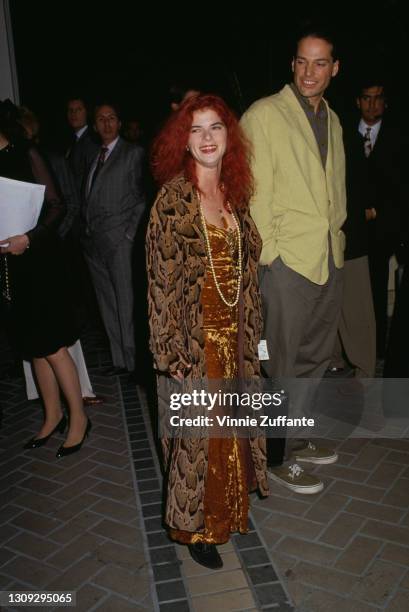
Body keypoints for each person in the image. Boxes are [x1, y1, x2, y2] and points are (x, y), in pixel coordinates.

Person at [147, 94, 268, 569]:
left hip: (236, 337)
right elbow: (159, 285)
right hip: (194, 343)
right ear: (183, 140)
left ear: (228, 136)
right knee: (198, 441)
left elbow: (248, 273)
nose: (206, 138)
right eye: (196, 129)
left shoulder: (236, 193)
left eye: (215, 127)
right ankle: (197, 529)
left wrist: (258, 340)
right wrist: (170, 356)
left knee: (231, 435)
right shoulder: (172, 200)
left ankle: (228, 510)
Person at [241, 26, 346, 494]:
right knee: (279, 363)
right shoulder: (265, 113)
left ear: (334, 69)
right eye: (302, 61)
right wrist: (269, 255)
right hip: (285, 263)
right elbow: (250, 188)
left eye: (320, 63)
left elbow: (333, 189)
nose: (309, 72)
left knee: (314, 358)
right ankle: (274, 457)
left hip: (326, 256)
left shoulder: (335, 119)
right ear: (292, 64)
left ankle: (296, 438)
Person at [0, 99, 90, 458]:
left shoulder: (26, 153)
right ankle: (52, 415)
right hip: (10, 267)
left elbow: (58, 206)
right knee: (32, 345)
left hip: (39, 260)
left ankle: (79, 417)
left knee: (52, 345)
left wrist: (28, 239)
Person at [81, 102, 146, 376]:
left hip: (120, 241)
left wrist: (129, 234)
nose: (106, 123)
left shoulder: (133, 153)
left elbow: (143, 198)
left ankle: (133, 363)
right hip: (94, 243)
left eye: (111, 118)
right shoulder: (96, 156)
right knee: (107, 304)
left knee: (126, 303)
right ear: (95, 127)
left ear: (119, 123)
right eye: (101, 119)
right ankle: (119, 360)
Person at [355, 80, 407, 358]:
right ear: (358, 102)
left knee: (387, 285)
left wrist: (381, 212)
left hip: (391, 224)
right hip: (356, 226)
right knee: (364, 289)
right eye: (366, 98)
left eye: (377, 98)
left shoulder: (399, 136)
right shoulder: (344, 133)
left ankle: (385, 349)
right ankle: (368, 348)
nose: (372, 104)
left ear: (385, 102)